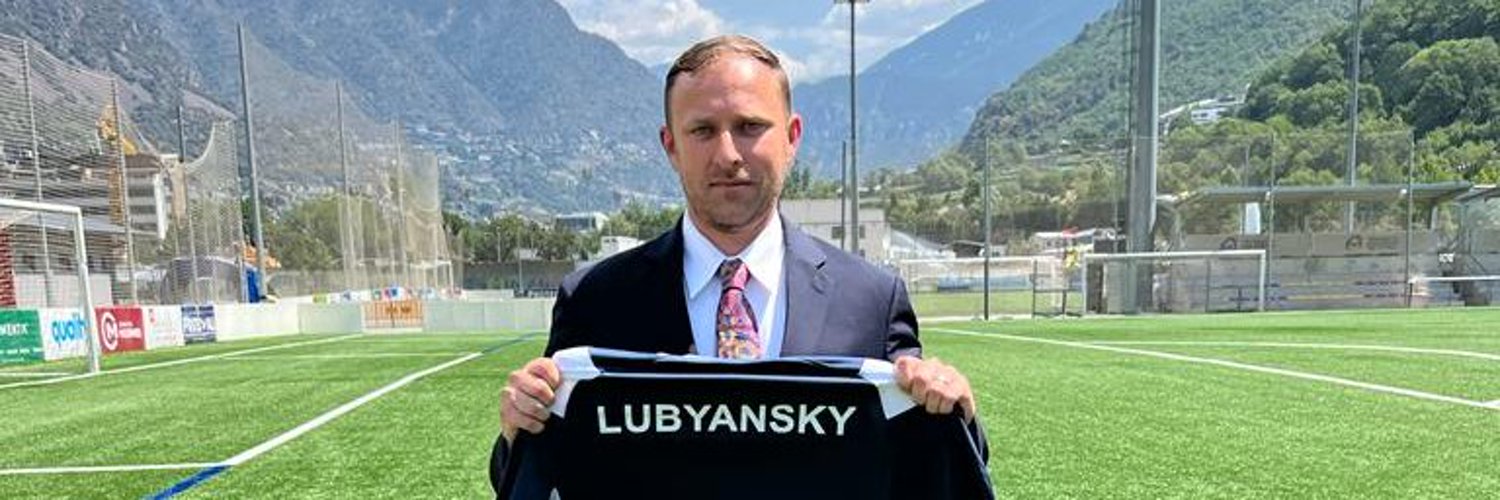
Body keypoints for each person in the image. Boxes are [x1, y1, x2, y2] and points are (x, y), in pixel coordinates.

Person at [492, 34, 985, 489]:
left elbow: (929, 464)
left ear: (792, 137)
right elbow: (542, 473)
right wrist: (519, 427)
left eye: (750, 127)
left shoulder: (871, 299)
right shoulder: (596, 300)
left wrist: (955, 409)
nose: (728, 153)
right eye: (703, 130)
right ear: (671, 146)